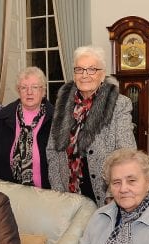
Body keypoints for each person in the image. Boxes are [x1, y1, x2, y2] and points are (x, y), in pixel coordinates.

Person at [47, 45, 136, 206]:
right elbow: (52, 151)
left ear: (102, 75)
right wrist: (58, 190)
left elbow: (126, 153)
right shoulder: (63, 103)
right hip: (68, 194)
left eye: (92, 69)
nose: (85, 75)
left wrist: (113, 193)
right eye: (79, 69)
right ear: (74, 75)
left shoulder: (118, 104)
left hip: (104, 194)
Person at [0, 67, 54, 188]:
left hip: (46, 193)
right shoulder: (2, 117)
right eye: (24, 87)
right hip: (11, 190)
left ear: (43, 91)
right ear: (18, 91)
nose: (29, 92)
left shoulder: (56, 119)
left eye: (35, 87)